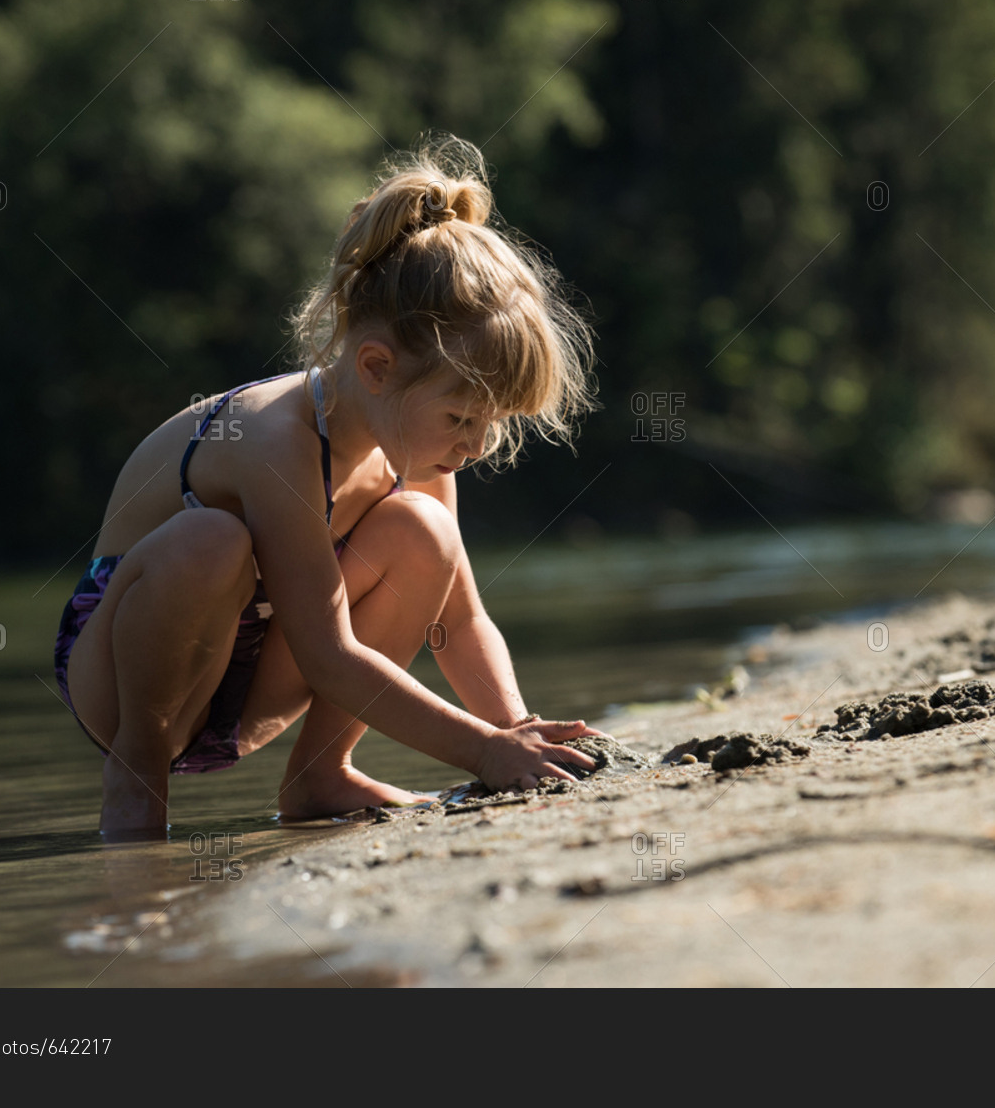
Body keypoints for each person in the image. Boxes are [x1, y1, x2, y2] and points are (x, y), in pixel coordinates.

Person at [53, 134, 605, 837]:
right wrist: (481, 751)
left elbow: (458, 621)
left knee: (423, 533)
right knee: (210, 539)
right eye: (462, 416)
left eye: (493, 421)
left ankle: (319, 774)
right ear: (375, 368)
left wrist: (517, 733)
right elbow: (328, 653)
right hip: (125, 682)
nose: (478, 444)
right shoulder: (271, 439)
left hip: (246, 689)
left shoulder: (416, 450)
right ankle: (135, 777)